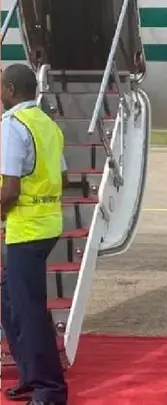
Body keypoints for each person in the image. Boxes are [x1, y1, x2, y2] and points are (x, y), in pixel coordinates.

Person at [1, 63, 69, 405]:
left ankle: (49, 389)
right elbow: (63, 177)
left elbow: (10, 190)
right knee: (10, 300)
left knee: (28, 311)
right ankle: (31, 374)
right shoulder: (47, 125)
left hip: (26, 229)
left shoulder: (12, 125)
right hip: (47, 225)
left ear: (11, 90)